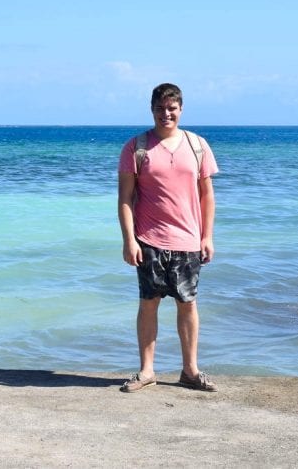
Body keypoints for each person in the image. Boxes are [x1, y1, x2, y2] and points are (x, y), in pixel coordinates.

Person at [117, 82, 219, 393]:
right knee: (148, 303)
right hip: (149, 239)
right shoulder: (136, 147)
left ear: (181, 109)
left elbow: (207, 196)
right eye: (161, 108)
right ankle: (147, 371)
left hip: (188, 240)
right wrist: (129, 240)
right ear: (152, 110)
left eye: (171, 108)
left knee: (187, 304)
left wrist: (207, 236)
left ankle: (190, 370)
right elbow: (125, 198)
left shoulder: (197, 145)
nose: (166, 114)